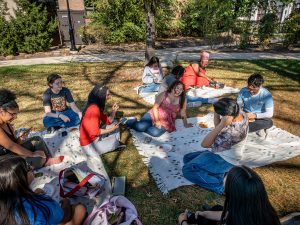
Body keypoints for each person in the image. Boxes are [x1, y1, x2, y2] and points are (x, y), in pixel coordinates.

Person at [182, 98, 249, 194]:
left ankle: (221, 186)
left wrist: (221, 125)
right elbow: (218, 126)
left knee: (187, 170)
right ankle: (219, 173)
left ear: (227, 116)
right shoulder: (240, 112)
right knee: (187, 158)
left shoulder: (233, 133)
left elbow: (205, 144)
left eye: (221, 115)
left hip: (225, 159)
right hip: (221, 153)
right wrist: (217, 112)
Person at [178, 165, 281, 225]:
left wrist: (183, 222)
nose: (224, 176)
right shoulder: (263, 211)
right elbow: (230, 214)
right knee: (216, 209)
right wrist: (205, 213)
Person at [0, 154, 86, 225]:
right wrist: (65, 201)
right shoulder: (40, 203)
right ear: (21, 179)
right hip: (56, 215)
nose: (31, 168)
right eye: (28, 168)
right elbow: (63, 217)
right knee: (80, 209)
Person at [0, 89, 63, 169]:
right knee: (21, 161)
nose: (15, 117)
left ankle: (46, 160)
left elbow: (15, 143)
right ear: (1, 111)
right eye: (12, 114)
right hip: (4, 160)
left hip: (11, 153)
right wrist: (32, 154)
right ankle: (37, 163)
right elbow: (11, 146)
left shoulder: (7, 123)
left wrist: (20, 139)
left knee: (36, 140)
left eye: (16, 114)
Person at [127, 80, 193, 137]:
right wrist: (157, 121)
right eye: (177, 88)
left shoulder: (183, 99)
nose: (178, 90)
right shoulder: (164, 94)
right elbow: (155, 108)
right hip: (154, 114)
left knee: (155, 133)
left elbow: (183, 112)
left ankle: (146, 126)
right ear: (172, 87)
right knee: (140, 127)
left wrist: (185, 123)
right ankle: (131, 121)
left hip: (167, 120)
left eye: (181, 89)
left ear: (183, 90)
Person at [80, 84, 122, 156]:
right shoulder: (94, 109)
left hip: (95, 137)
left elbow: (108, 121)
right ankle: (112, 142)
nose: (109, 97)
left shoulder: (95, 105)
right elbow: (95, 131)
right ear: (100, 96)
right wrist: (112, 129)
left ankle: (107, 141)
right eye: (107, 95)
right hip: (89, 145)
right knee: (115, 142)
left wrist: (114, 111)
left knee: (115, 122)